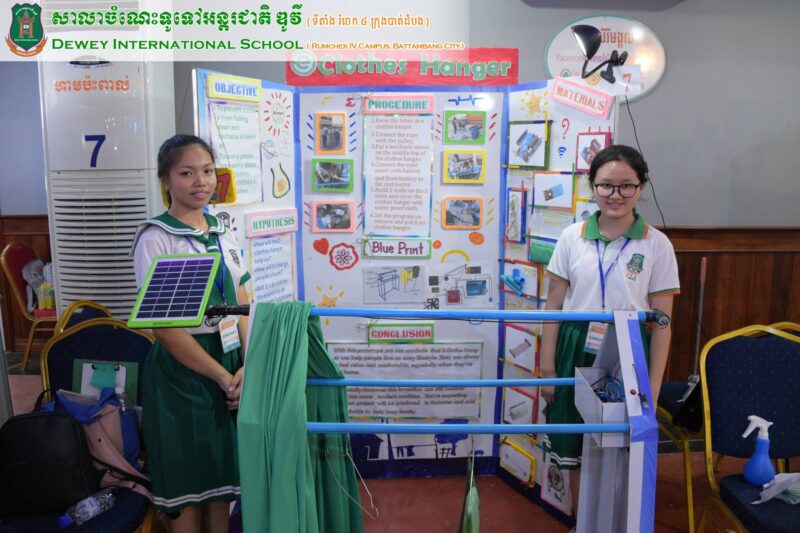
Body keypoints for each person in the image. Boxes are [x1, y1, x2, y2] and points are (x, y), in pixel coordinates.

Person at [540, 145, 680, 516]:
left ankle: (613, 520)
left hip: (629, 349)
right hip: (575, 344)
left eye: (626, 185)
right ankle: (578, 519)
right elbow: (553, 306)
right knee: (571, 437)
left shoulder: (657, 244)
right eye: (605, 185)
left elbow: (663, 323)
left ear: (642, 187)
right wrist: (548, 369)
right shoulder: (572, 237)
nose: (615, 195)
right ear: (592, 187)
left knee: (620, 440)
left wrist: (652, 388)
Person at [131, 134, 250, 532]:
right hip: (183, 372)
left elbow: (243, 302)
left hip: (230, 362)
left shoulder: (223, 231)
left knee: (220, 481)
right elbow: (165, 328)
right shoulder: (157, 237)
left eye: (207, 171)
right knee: (186, 485)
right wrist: (222, 377)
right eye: (186, 173)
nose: (200, 181)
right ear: (165, 180)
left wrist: (247, 365)